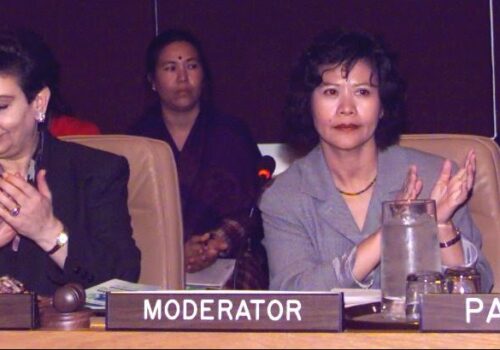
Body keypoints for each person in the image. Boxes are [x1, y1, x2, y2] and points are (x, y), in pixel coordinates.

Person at [259, 28, 493, 292]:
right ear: (308, 104)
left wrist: (441, 226)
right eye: (331, 92)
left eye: (362, 92)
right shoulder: (284, 197)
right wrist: (390, 232)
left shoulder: (436, 178)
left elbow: (478, 290)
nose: (346, 108)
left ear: (382, 105)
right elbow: (294, 297)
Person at [0, 28, 140, 295]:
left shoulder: (95, 172)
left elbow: (123, 281)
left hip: (67, 333)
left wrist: (48, 232)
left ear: (39, 103)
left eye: (1, 107)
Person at [131, 29, 268, 289]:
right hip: (156, 260)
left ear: (203, 75)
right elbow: (127, 217)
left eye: (191, 66)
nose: (183, 77)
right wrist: (177, 252)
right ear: (152, 80)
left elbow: (254, 207)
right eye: (170, 68)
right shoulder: (138, 140)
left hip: (229, 257)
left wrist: (215, 242)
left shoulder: (232, 134)